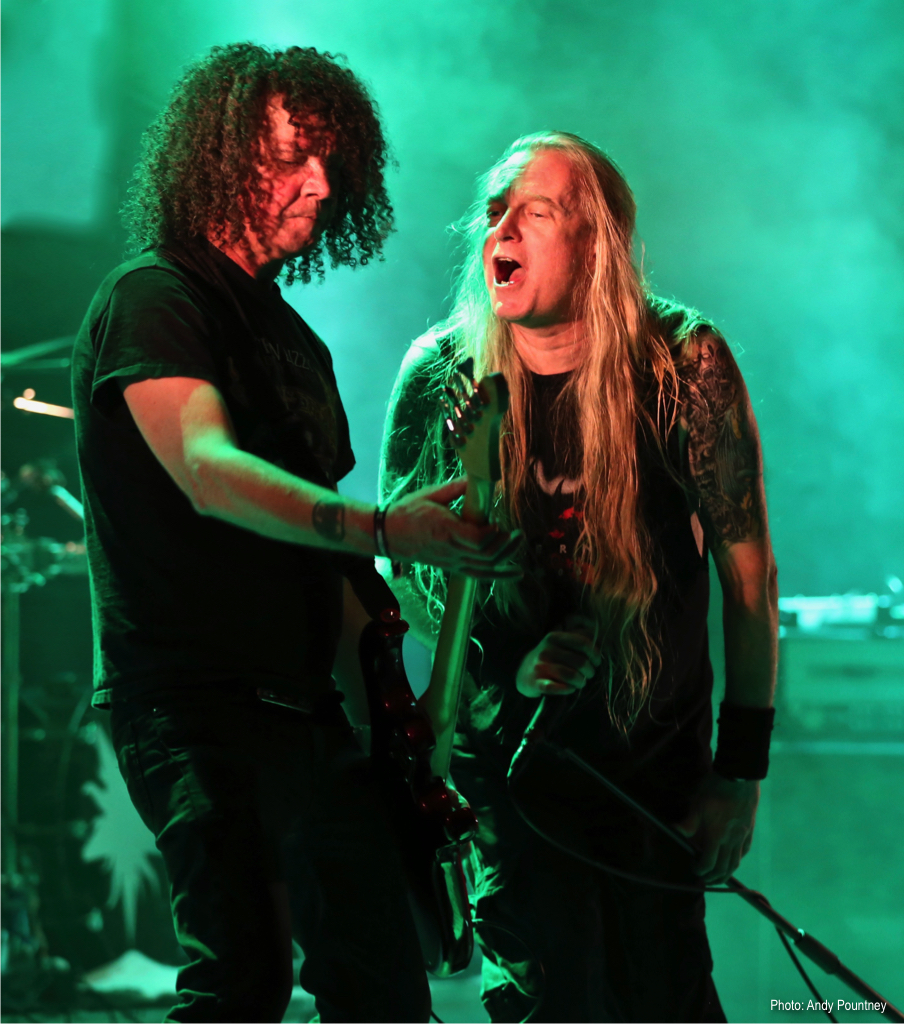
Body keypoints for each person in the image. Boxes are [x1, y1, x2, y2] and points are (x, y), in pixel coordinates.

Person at [71, 43, 518, 1023]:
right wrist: (384, 523)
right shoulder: (154, 297)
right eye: (290, 157)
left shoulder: (298, 341)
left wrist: (410, 707)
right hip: (195, 701)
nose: (318, 183)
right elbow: (207, 470)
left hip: (315, 714)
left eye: (331, 162)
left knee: (385, 992)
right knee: (241, 981)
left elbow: (333, 563)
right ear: (218, 156)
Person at [380, 131, 778, 1022]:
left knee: (665, 995)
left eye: (535, 212)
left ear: (595, 244)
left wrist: (739, 771)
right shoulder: (441, 373)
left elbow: (750, 579)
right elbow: (398, 568)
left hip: (652, 766)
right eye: (495, 211)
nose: (501, 230)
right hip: (509, 773)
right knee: (540, 997)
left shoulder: (682, 361)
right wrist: (504, 659)